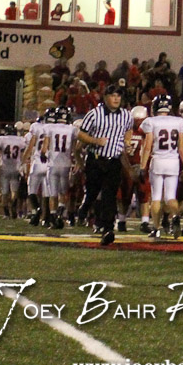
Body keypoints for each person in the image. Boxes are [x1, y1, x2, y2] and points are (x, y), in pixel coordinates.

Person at [76, 84, 134, 245]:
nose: (116, 98)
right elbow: (81, 134)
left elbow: (129, 129)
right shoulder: (94, 114)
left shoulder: (126, 115)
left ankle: (108, 229)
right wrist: (95, 140)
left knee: (110, 195)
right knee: (93, 192)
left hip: (114, 160)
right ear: (106, 97)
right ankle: (84, 209)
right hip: (96, 158)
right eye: (113, 95)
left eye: (118, 96)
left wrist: (127, 141)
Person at [138, 95, 183, 239]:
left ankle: (156, 228)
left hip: (158, 161)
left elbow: (148, 146)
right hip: (173, 162)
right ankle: (176, 217)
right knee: (170, 197)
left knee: (156, 197)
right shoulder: (178, 121)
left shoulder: (150, 122)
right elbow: (181, 147)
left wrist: (143, 166)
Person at [41, 106, 77, 228]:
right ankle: (61, 209)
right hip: (66, 164)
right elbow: (74, 149)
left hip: (53, 165)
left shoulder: (49, 128)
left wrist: (43, 155)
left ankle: (53, 216)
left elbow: (44, 148)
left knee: (53, 193)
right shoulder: (72, 129)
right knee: (63, 192)